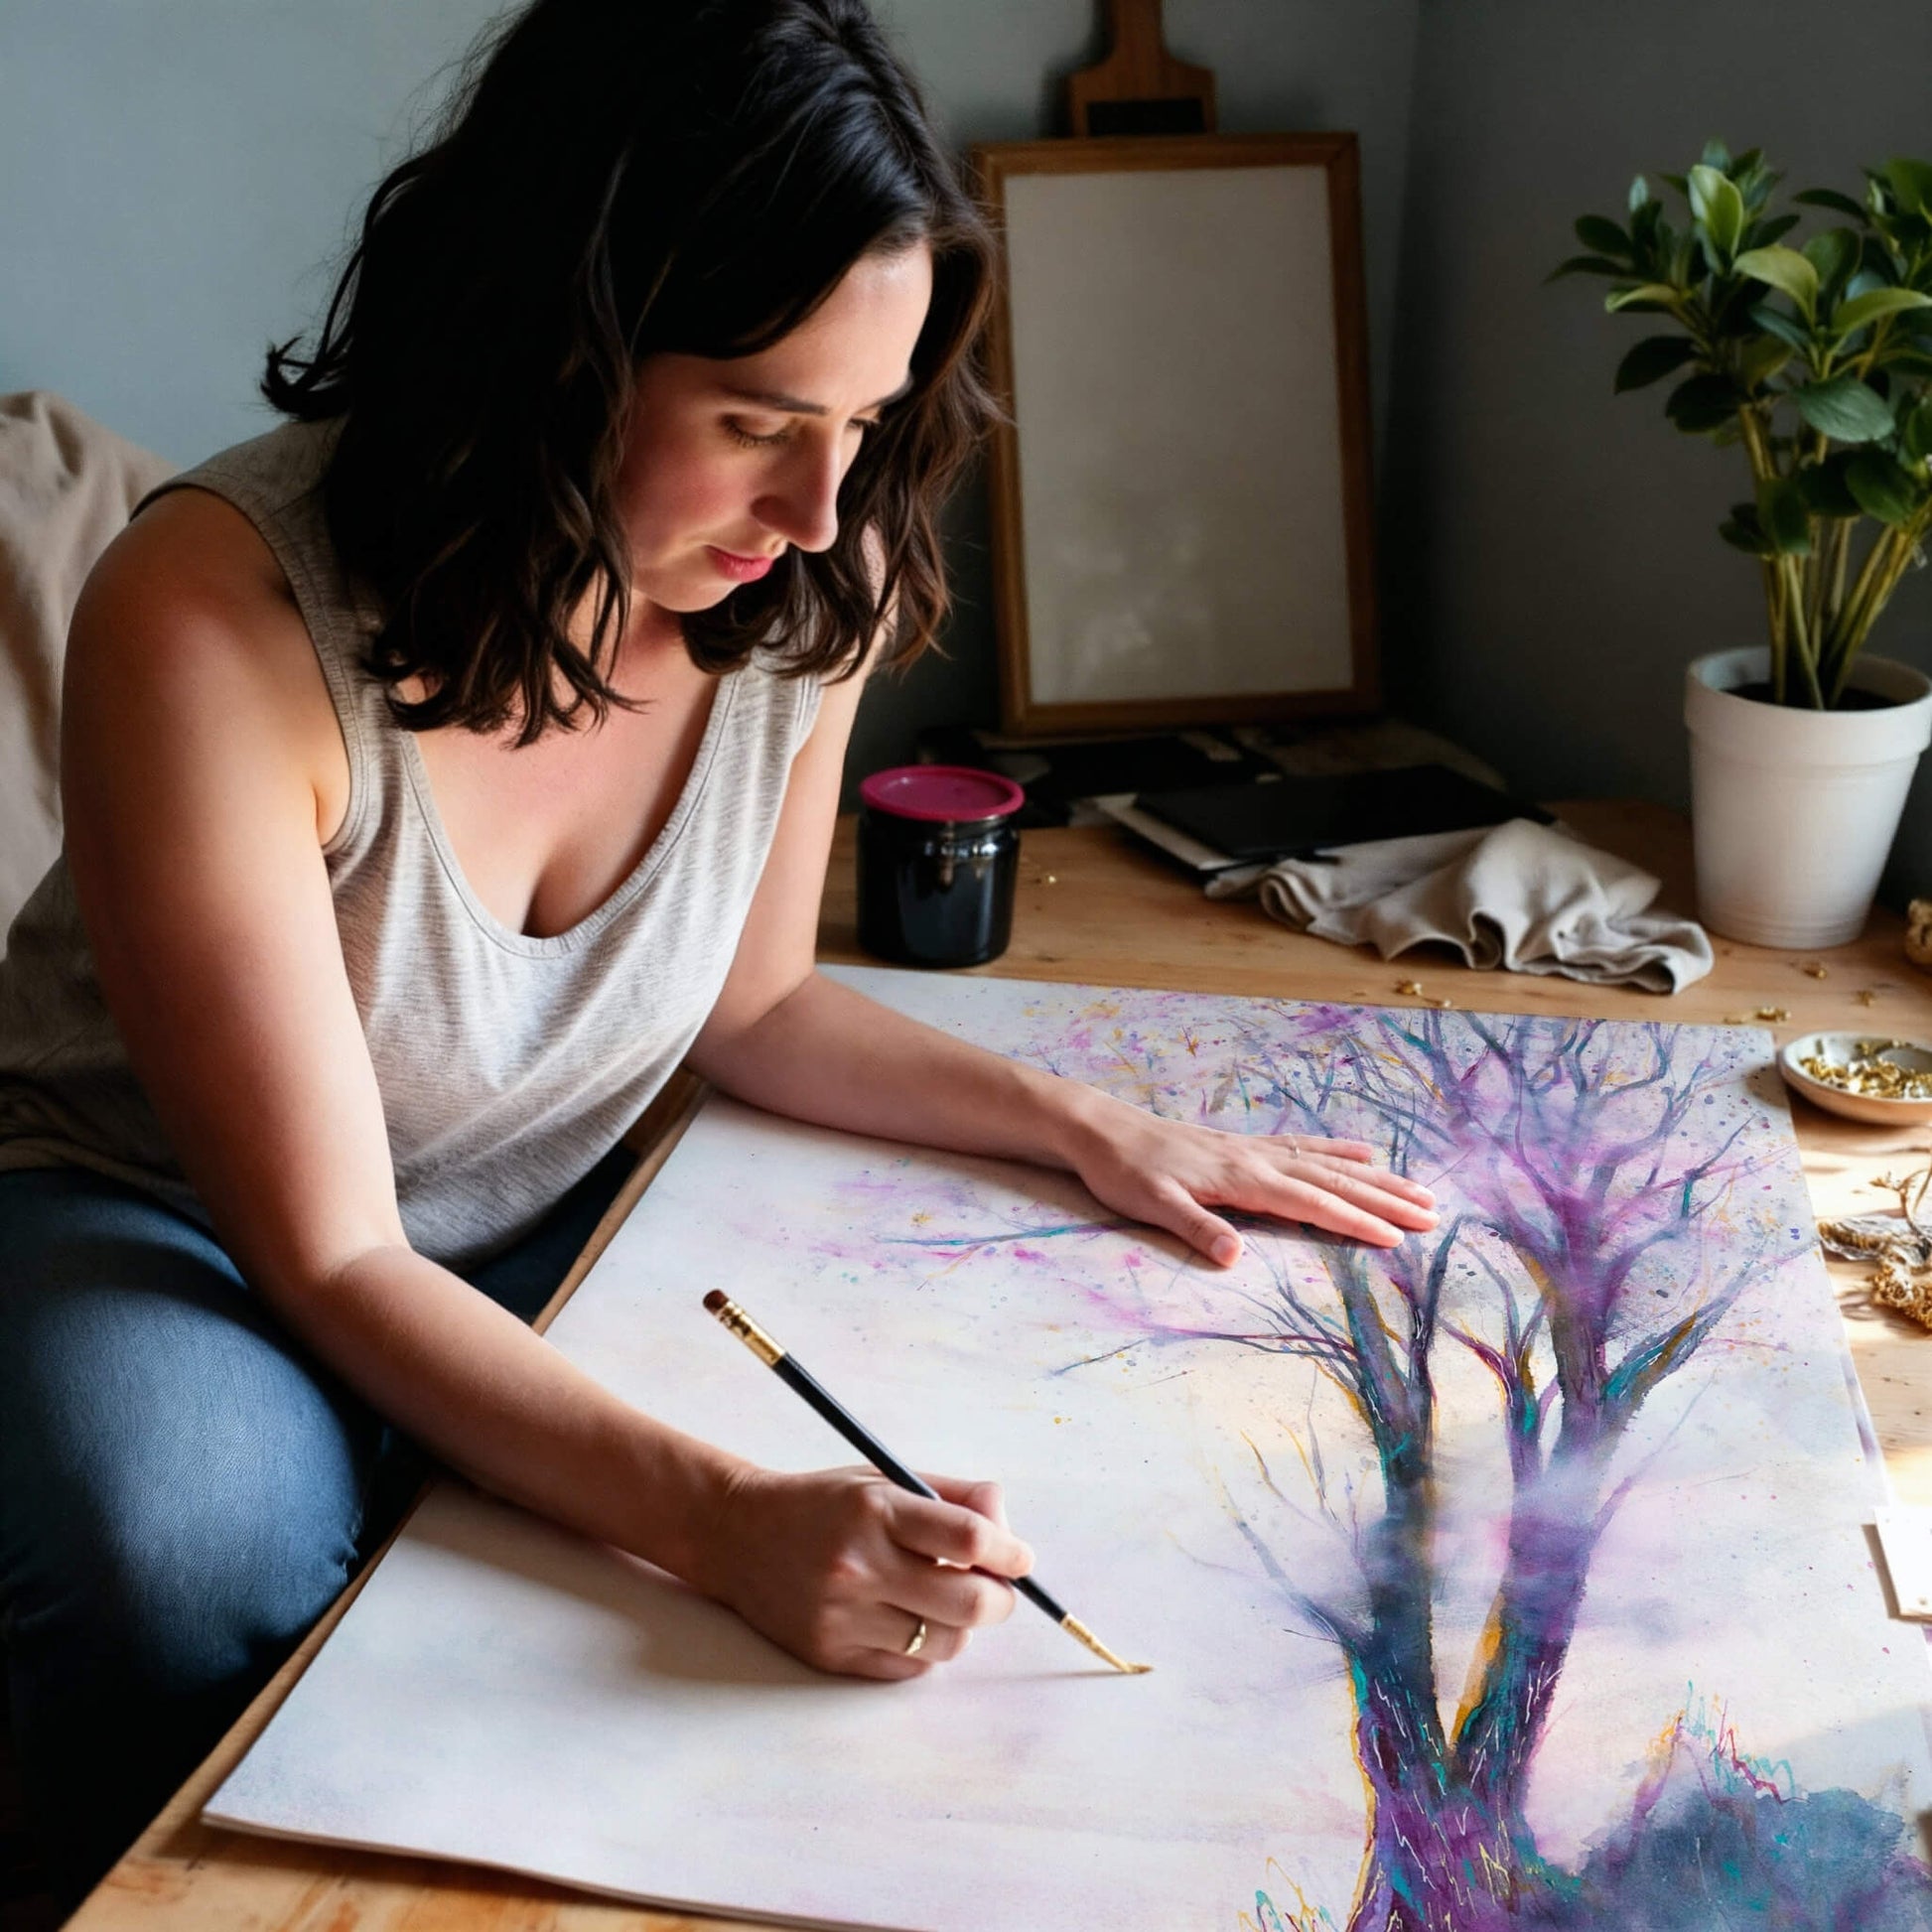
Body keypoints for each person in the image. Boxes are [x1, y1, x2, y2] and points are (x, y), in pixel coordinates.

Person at [0, 0, 1438, 1904]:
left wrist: (1087, 1121)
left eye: (860, 424)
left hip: (519, 1194)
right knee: (186, 1541)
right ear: (546, 349)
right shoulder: (212, 616)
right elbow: (331, 1247)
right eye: (760, 421)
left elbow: (748, 1004)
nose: (820, 506)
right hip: (162, 1211)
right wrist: (726, 1520)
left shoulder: (801, 577)